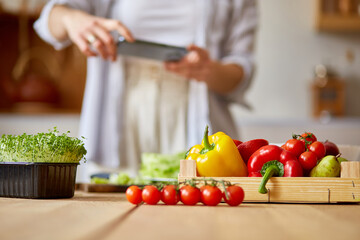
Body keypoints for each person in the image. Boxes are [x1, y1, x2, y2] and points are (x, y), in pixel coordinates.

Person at [34, 0, 258, 182]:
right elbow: (49, 21)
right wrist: (71, 18)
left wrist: (208, 70)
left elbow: (242, 71)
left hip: (196, 125)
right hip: (121, 120)